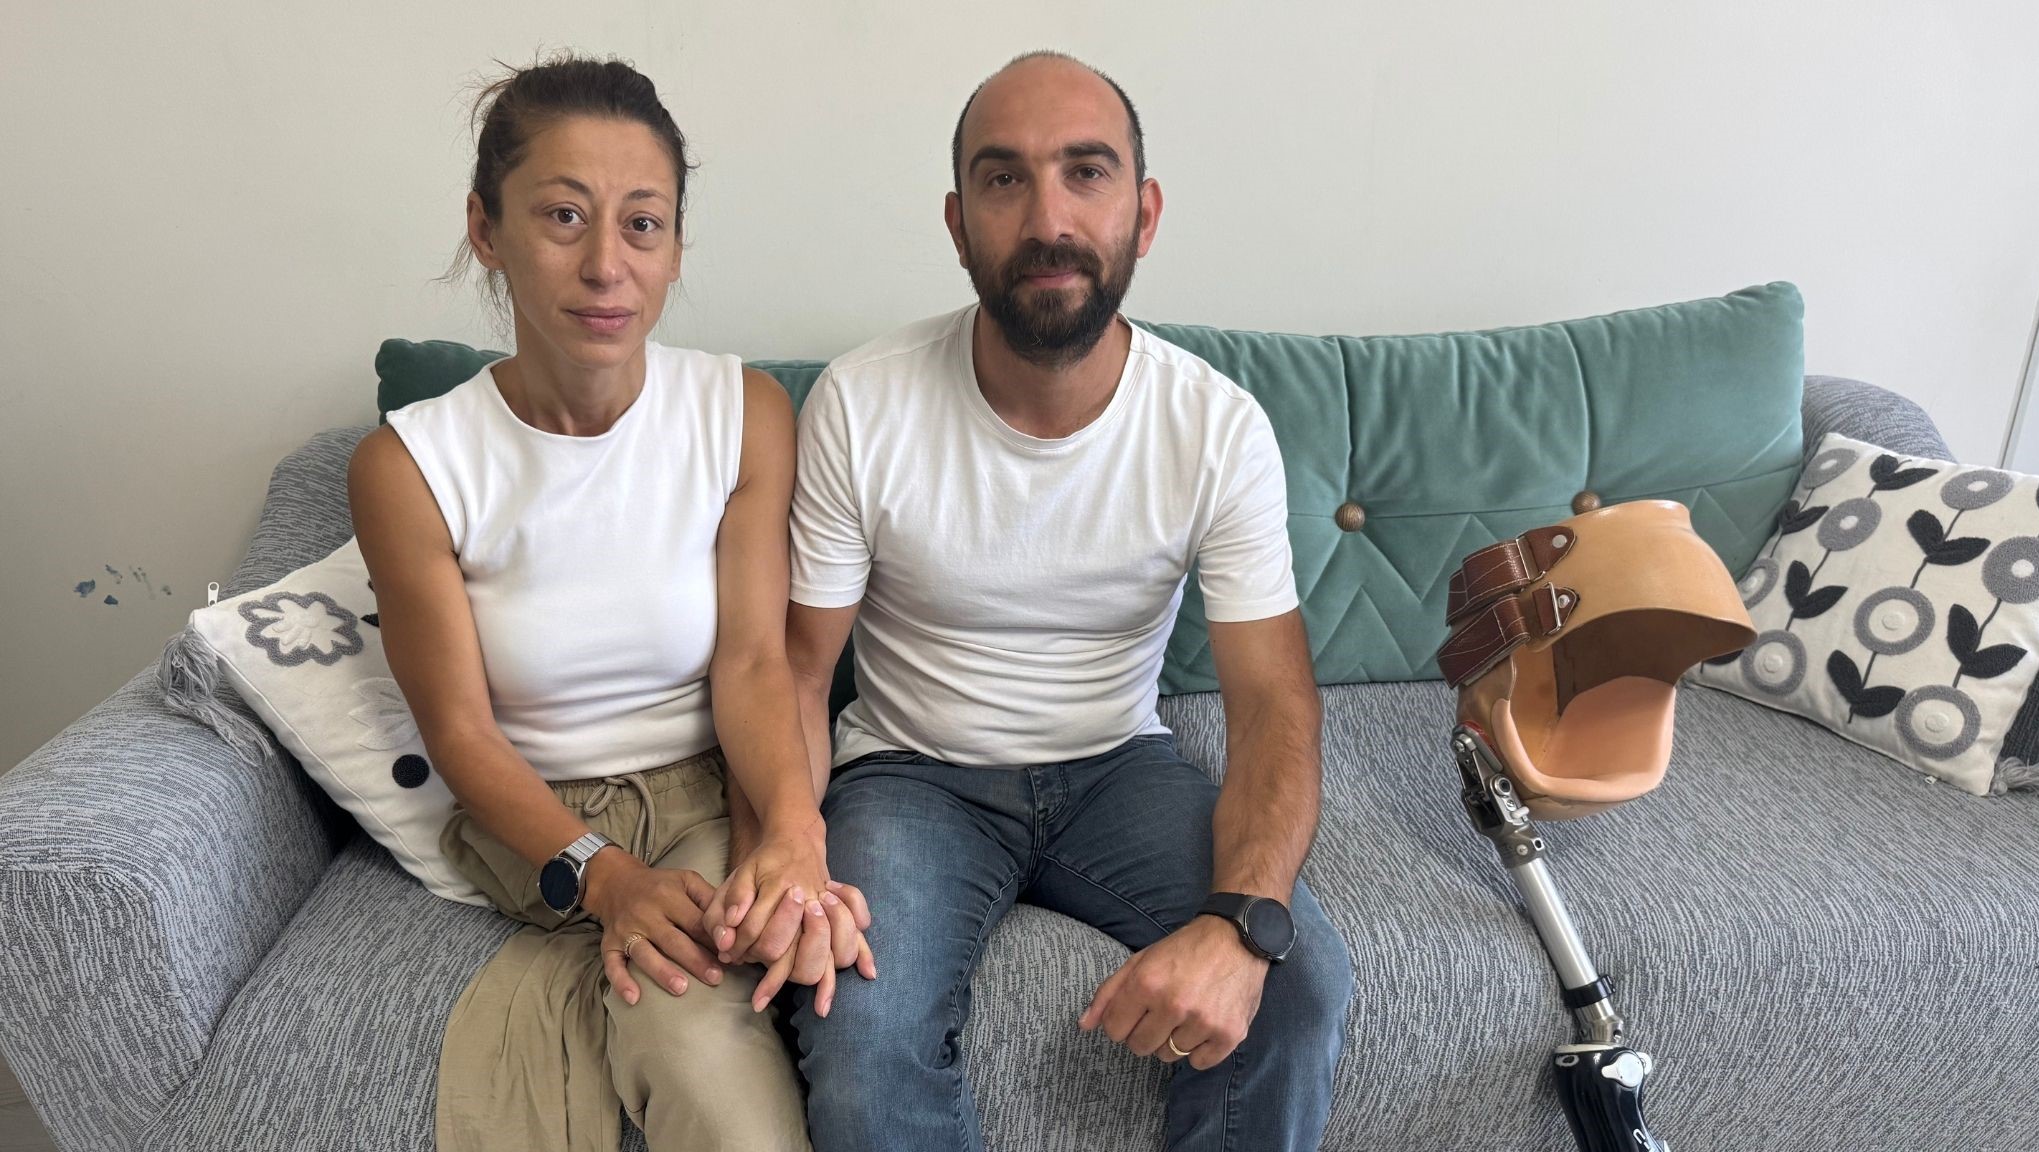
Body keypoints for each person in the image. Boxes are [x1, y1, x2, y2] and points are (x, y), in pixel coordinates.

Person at [780, 49, 1352, 1152]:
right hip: (911, 775)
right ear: (958, 224)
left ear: (1144, 213)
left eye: (1085, 173)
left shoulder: (1215, 426)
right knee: (861, 1043)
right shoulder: (862, 401)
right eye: (1004, 179)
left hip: (1117, 768)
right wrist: (793, 849)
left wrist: (1242, 925)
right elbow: (799, 674)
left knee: (1296, 985)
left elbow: (1274, 706)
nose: (1047, 219)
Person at [348, 55, 868, 1152]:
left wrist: (790, 833)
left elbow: (755, 666)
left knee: (786, 999)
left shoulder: (743, 413)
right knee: (704, 1059)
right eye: (562, 216)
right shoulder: (410, 466)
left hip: (708, 795)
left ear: (674, 247)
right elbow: (460, 732)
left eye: (642, 225)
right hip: (534, 815)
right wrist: (605, 879)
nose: (604, 266)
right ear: (486, 230)